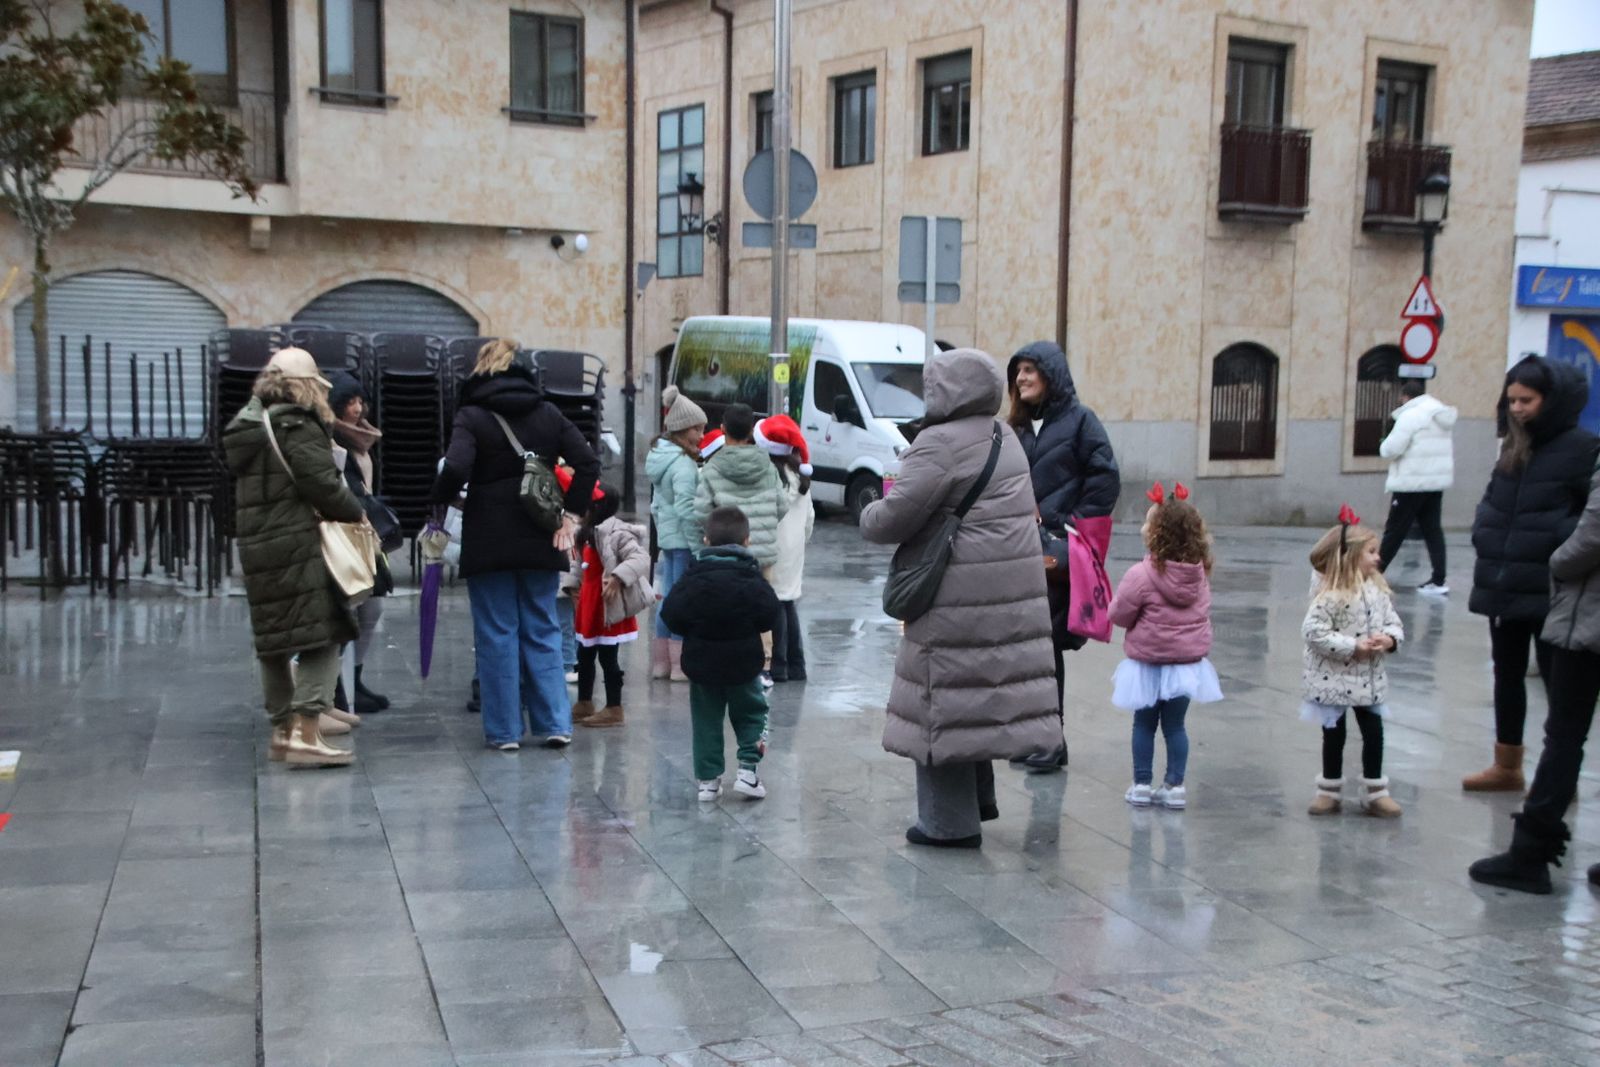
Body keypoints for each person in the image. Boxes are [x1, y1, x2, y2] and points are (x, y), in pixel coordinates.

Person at [860, 348, 1060, 848]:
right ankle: (974, 806)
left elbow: (892, 520)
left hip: (954, 593)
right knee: (977, 696)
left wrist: (871, 508)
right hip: (1006, 592)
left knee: (943, 700)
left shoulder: (939, 443)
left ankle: (947, 824)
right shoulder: (1004, 435)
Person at [431, 339, 600, 751]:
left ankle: (505, 732)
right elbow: (588, 463)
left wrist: (443, 497)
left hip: (488, 536)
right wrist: (571, 515)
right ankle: (555, 723)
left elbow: (455, 466)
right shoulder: (548, 413)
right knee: (542, 628)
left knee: (496, 634)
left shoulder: (472, 415)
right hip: (541, 534)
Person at [222, 347, 366, 768]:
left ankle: (283, 734)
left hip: (257, 545)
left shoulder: (244, 429)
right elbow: (322, 486)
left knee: (273, 641)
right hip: (299, 545)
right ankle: (306, 730)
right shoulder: (297, 426)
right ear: (306, 386)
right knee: (325, 632)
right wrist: (357, 512)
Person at [1463, 356, 1597, 791]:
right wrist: (1485, 532)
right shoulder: (1512, 446)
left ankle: (1558, 777)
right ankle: (1507, 764)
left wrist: (1552, 545)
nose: (1518, 408)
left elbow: (1587, 518)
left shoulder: (1582, 449)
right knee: (1507, 674)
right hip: (1504, 582)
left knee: (1559, 686)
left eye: (1528, 400)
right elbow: (1492, 500)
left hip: (1552, 588)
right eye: (1512, 399)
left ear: (1551, 400)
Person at [1469, 457, 1600, 893]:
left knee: (1564, 736)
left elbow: (1589, 538)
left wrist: (1557, 560)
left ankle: (1530, 854)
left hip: (1589, 622)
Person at [1005, 340, 1121, 773]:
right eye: (1018, 371)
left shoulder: (1080, 422)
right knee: (1029, 648)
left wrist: (1070, 524)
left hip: (1055, 555)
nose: (1022, 378)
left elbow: (1105, 478)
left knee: (1046, 644)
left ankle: (1050, 740)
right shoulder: (1017, 428)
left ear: (1052, 374)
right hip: (1020, 550)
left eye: (1031, 370)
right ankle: (1043, 737)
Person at [1108, 482, 1221, 811]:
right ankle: (1175, 786)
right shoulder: (1199, 576)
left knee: (1144, 724)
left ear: (1156, 534)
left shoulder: (1140, 575)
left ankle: (1142, 784)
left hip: (1147, 662)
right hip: (1186, 665)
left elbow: (1120, 614)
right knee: (1175, 726)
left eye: (1147, 522)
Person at [659, 506, 781, 802]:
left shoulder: (693, 578)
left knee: (706, 720)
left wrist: (693, 629)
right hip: (743, 663)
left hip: (702, 663)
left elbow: (671, 615)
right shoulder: (751, 580)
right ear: (747, 541)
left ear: (706, 540)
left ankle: (708, 782)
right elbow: (770, 615)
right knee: (752, 713)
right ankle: (748, 771)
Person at [1302, 510, 1405, 818]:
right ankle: (1329, 790)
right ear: (1349, 556)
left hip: (1369, 679)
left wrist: (1389, 639)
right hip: (1332, 678)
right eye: (1371, 552)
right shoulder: (1329, 594)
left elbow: (1394, 623)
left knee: (1373, 731)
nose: (1377, 559)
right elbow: (1313, 632)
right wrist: (1352, 646)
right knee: (1334, 734)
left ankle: (1375, 790)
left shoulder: (1378, 590)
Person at [694, 402, 788, 686]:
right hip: (761, 551)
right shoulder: (767, 466)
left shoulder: (712, 468)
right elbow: (781, 506)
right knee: (761, 606)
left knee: (726, 606)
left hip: (724, 552)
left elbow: (700, 512)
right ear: (751, 431)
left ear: (722, 431)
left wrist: (717, 533)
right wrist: (762, 527)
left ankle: (729, 662)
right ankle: (765, 667)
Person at [328, 371, 392, 718]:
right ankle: (337, 687)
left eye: (359, 401)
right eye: (349, 402)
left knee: (372, 609)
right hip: (344, 537)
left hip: (366, 536)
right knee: (348, 610)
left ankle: (354, 678)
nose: (356, 409)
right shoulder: (332, 443)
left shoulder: (360, 443)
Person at [572, 483, 652, 729]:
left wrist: (618, 577)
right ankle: (584, 701)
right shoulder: (586, 532)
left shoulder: (617, 532)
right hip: (589, 602)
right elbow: (579, 566)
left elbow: (640, 558)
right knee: (584, 655)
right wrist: (571, 586)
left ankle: (614, 706)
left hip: (606, 604)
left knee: (608, 657)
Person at [646, 385, 708, 681]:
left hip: (669, 539)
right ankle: (679, 666)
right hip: (683, 541)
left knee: (666, 600)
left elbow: (657, 504)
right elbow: (686, 508)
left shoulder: (661, 457)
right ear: (683, 430)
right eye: (698, 429)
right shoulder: (683, 465)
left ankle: (660, 664)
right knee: (679, 602)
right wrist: (698, 546)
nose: (702, 435)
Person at [1377, 379, 1458, 595]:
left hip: (1410, 483)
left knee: (1395, 530)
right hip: (1434, 484)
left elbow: (1391, 449)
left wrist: (1384, 442)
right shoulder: (1439, 414)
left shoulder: (1411, 415)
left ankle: (1373, 574)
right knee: (1432, 530)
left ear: (1406, 397)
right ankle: (1439, 580)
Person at [757, 414, 814, 682]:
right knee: (788, 602)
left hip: (773, 545)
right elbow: (810, 518)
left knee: (776, 604)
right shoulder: (800, 477)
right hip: (795, 549)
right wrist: (803, 539)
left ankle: (778, 665)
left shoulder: (768, 476)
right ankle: (797, 665)